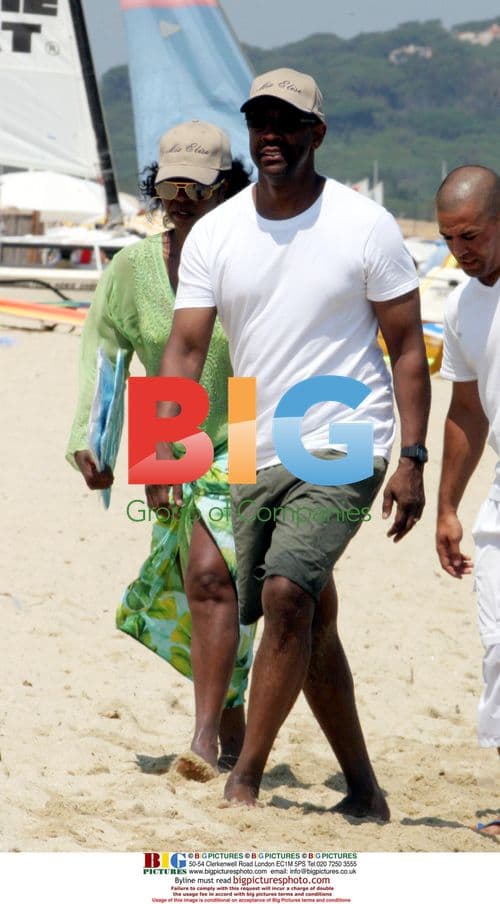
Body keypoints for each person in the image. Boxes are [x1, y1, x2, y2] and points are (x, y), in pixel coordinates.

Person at [155, 68, 431, 816]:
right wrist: (164, 449)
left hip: (348, 431)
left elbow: (406, 346)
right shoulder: (216, 232)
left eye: (286, 122)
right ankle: (365, 790)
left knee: (284, 593)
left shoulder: (363, 223)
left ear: (317, 131)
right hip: (252, 430)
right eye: (259, 121)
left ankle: (245, 774)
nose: (270, 135)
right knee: (308, 618)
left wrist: (411, 456)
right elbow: (184, 349)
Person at [66, 120, 256, 778]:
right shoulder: (134, 268)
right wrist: (98, 445)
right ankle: (228, 729)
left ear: (226, 187)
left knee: (214, 574)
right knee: (196, 586)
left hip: (246, 432)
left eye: (196, 185)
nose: (180, 196)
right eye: (169, 183)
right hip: (168, 434)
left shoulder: (253, 259)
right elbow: (108, 356)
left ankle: (203, 739)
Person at [435, 164, 500, 837]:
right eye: (453, 239)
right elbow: (465, 412)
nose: (462, 250)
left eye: (473, 235)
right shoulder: (461, 305)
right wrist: (449, 505)